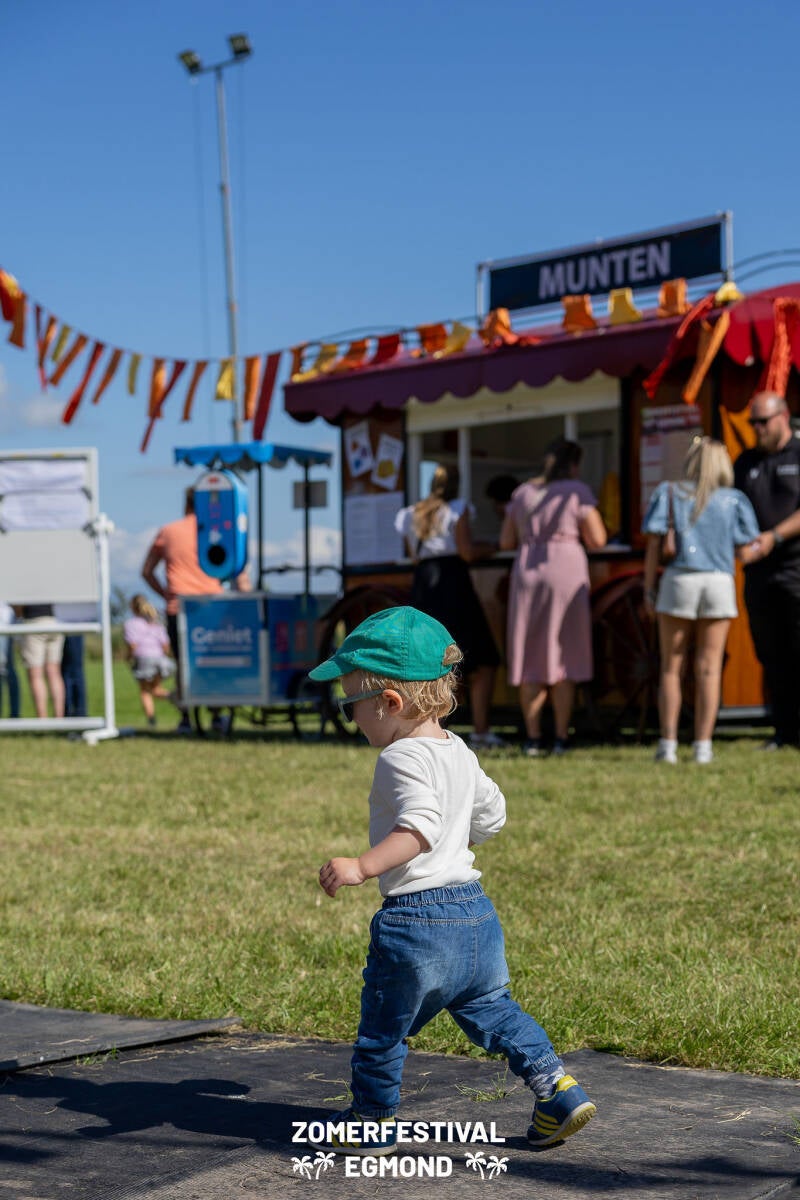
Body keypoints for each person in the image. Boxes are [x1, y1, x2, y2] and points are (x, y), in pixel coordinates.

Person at [309, 605, 596, 1155]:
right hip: (475, 916)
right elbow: (492, 815)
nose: (353, 720)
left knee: (384, 1029)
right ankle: (557, 1089)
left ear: (389, 703)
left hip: (417, 922)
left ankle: (371, 1121)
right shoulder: (459, 750)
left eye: (351, 707)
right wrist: (458, 838)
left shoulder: (399, 758)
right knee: (496, 1011)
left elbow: (418, 827)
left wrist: (362, 866)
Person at [642, 438, 760, 764]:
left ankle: (668, 744)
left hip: (680, 580)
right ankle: (703, 745)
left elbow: (653, 547)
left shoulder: (669, 493)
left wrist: (648, 590)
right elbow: (747, 549)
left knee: (671, 667)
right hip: (718, 582)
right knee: (709, 669)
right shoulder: (733, 500)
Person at [500, 440, 607, 756]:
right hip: (565, 571)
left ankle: (533, 738)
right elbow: (598, 539)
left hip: (527, 573)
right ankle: (561, 736)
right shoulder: (576, 491)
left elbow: (506, 541)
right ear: (573, 465)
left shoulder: (522, 493)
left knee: (529, 656)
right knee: (565, 654)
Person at [394, 465, 504, 749]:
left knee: (432, 661)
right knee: (482, 659)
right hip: (453, 584)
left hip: (424, 586)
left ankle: (429, 729)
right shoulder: (458, 509)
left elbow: (414, 556)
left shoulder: (411, 514)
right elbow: (466, 551)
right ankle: (481, 730)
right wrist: (492, 547)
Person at [733, 391, 800, 749]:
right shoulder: (745, 462)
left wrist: (775, 536)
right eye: (752, 422)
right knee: (771, 654)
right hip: (759, 574)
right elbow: (732, 508)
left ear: (783, 416)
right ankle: (784, 733)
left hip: (796, 569)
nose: (757, 428)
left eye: (763, 421)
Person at [141, 487, 224, 733]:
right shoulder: (217, 531)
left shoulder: (168, 531)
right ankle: (216, 715)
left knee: (183, 662)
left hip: (179, 607)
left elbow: (147, 571)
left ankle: (186, 717)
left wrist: (165, 594)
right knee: (213, 661)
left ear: (185, 503)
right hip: (213, 605)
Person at [123, 594, 175, 727]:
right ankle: (176, 698)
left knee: (145, 691)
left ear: (132, 607)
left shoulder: (131, 624)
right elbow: (165, 645)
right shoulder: (156, 624)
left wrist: (128, 657)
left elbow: (133, 645)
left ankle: (151, 719)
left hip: (143, 659)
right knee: (156, 689)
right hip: (160, 659)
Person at [15, 604, 65, 719]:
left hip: (33, 624)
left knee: (36, 675)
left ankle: (42, 720)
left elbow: (18, 609)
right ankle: (59, 719)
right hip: (53, 622)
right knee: (54, 673)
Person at [61, 635, 87, 718]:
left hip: (71, 633)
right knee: (71, 671)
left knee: (71, 672)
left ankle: (76, 713)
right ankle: (77, 712)